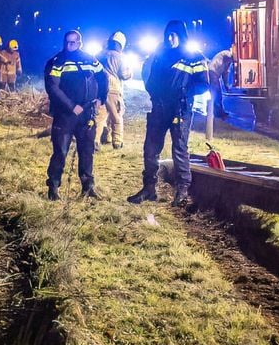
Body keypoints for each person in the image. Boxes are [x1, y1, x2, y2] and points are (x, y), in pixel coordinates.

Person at [128, 20, 209, 206]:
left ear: (182, 35)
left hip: (180, 109)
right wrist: (153, 93)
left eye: (175, 35)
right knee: (150, 148)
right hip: (160, 107)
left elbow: (204, 84)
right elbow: (150, 77)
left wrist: (185, 92)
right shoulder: (159, 54)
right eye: (168, 35)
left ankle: (182, 191)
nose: (171, 38)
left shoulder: (193, 57)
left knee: (179, 149)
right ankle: (149, 189)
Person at [43, 30, 109, 201]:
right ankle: (54, 188)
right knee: (60, 152)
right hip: (65, 115)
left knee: (87, 151)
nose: (69, 45)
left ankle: (88, 187)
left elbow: (103, 77)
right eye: (67, 42)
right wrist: (72, 106)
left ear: (80, 43)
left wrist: (101, 98)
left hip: (87, 114)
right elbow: (52, 87)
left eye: (73, 42)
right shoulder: (57, 61)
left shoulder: (90, 59)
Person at [96, 31, 133, 149]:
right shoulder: (121, 57)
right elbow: (125, 74)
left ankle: (95, 141)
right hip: (114, 89)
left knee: (99, 116)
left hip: (98, 89)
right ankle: (117, 142)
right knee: (116, 115)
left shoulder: (99, 54)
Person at [209, 45, 234, 119]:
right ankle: (218, 113)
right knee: (217, 93)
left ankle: (218, 112)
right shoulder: (226, 54)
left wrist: (226, 86)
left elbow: (225, 73)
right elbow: (228, 56)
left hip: (215, 74)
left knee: (217, 93)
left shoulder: (228, 61)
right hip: (212, 72)